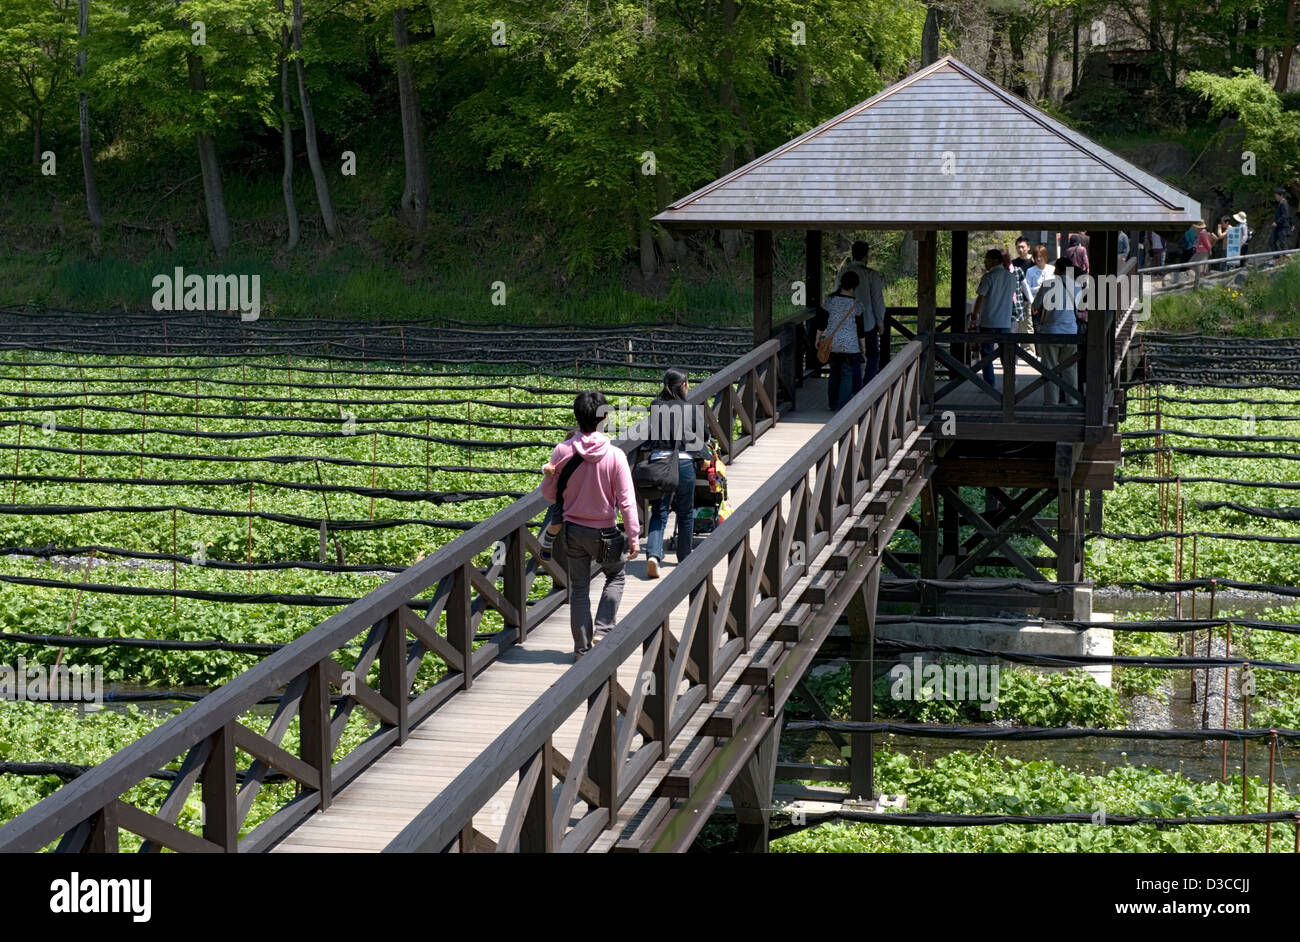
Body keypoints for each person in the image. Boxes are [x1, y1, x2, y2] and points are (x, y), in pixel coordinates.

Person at [541, 390, 640, 659]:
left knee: (580, 588)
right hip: (606, 531)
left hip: (573, 531)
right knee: (616, 575)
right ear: (604, 417)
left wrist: (549, 475)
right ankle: (603, 630)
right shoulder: (616, 456)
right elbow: (627, 501)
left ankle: (582, 649)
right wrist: (633, 536)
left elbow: (550, 495)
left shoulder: (562, 451)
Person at [643, 368, 710, 579]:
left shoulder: (655, 406)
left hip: (660, 464)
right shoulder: (691, 409)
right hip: (683, 464)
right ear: (682, 386)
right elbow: (705, 437)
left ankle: (653, 555)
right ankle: (684, 557)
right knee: (685, 511)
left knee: (659, 512)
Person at [1029, 257, 1079, 406]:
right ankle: (1073, 399)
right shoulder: (1076, 286)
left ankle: (1051, 401)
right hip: (1071, 331)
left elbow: (1035, 306)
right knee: (1070, 368)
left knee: (1050, 368)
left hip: (1050, 331)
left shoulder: (1047, 285)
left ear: (1057, 269)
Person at [835, 241, 885, 383]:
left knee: (853, 355)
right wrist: (880, 321)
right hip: (867, 322)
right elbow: (877, 300)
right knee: (873, 354)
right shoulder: (870, 274)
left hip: (847, 322)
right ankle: (869, 384)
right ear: (866, 255)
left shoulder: (843, 273)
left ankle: (855, 388)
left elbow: (835, 295)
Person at [818, 269, 867, 410]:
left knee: (834, 373)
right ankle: (843, 407)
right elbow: (860, 329)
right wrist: (863, 347)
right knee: (847, 375)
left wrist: (818, 338)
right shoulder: (856, 304)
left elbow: (822, 321)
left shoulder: (831, 300)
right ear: (854, 287)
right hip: (850, 346)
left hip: (832, 344)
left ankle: (832, 404)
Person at [970, 248, 1017, 387]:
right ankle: (1010, 382)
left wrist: (974, 316)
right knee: (1006, 355)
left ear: (995, 260)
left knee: (987, 354)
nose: (984, 262)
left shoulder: (989, 277)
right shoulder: (1011, 277)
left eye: (987, 259)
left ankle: (989, 384)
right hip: (1005, 321)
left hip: (988, 321)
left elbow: (980, 298)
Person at [1270, 187, 1292, 264]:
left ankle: (1288, 259)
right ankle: (1277, 258)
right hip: (1279, 227)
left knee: (1282, 242)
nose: (1275, 197)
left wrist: (1277, 222)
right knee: (1272, 241)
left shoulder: (1284, 203)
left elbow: (1285, 215)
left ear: (1281, 195)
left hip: (1282, 226)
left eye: (1276, 195)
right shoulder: (1281, 203)